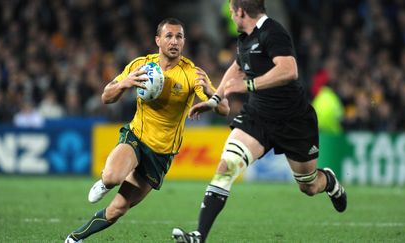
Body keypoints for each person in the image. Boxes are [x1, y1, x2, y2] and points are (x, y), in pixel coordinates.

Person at [172, 1, 347, 242]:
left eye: (232, 12)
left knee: (309, 186)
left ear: (241, 12)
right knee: (227, 166)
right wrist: (215, 98)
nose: (231, 17)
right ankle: (199, 236)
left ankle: (329, 181)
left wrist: (249, 85)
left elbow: (289, 70)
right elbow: (236, 67)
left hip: (293, 121)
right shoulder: (245, 37)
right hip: (258, 117)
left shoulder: (273, 32)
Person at [64, 17, 229, 243]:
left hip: (161, 154)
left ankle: (75, 238)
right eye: (169, 36)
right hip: (137, 137)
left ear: (184, 41)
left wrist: (211, 92)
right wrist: (124, 84)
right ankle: (104, 182)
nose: (174, 41)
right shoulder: (141, 65)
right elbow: (106, 96)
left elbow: (224, 109)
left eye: (179, 36)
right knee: (113, 177)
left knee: (118, 209)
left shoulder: (192, 73)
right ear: (158, 40)